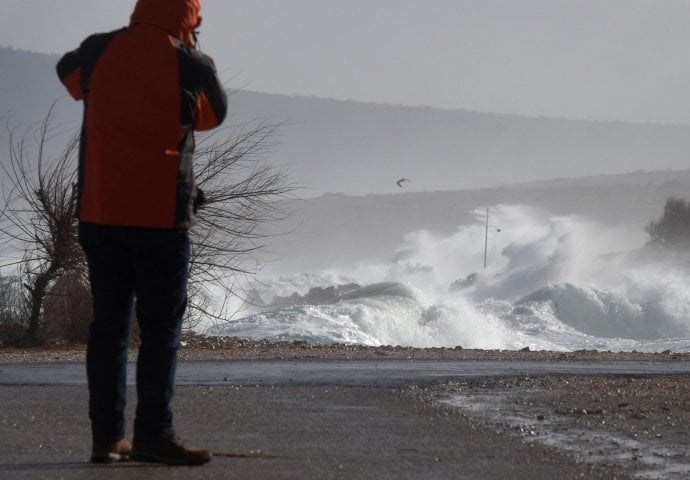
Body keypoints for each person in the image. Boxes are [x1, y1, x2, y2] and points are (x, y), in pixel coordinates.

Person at [56, 0, 227, 466]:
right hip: (161, 217)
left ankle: (106, 439)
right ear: (189, 17)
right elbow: (211, 117)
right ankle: (154, 434)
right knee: (160, 330)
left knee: (108, 327)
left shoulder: (98, 50)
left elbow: (67, 75)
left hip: (100, 211)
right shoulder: (191, 63)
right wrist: (186, 48)